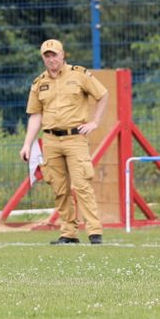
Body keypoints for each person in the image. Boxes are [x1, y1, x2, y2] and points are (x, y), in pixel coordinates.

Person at [20, 39, 110, 244]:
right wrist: (27, 144)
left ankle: (94, 232)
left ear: (63, 55)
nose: (51, 59)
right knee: (59, 188)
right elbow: (35, 115)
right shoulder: (39, 83)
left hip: (75, 138)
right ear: (43, 58)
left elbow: (103, 94)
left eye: (54, 54)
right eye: (47, 56)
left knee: (82, 185)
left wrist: (95, 122)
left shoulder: (79, 74)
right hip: (51, 139)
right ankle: (68, 233)